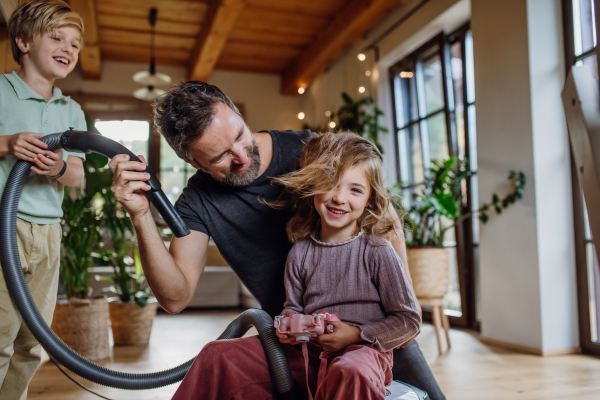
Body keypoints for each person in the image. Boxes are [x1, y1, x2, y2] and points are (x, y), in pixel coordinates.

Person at [109, 81, 447, 399]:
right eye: (220, 157)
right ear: (193, 161)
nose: (241, 156)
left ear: (238, 115)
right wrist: (140, 215)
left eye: (240, 135)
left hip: (371, 335)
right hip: (298, 343)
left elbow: (381, 213)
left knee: (374, 378)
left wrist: (388, 309)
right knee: (216, 358)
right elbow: (175, 298)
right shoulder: (199, 202)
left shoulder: (310, 150)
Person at [171, 132, 422, 399]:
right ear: (313, 186)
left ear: (370, 200)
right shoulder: (301, 252)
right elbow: (294, 307)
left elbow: (408, 320)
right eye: (330, 184)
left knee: (350, 369)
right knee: (217, 354)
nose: (339, 198)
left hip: (363, 354)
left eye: (355, 190)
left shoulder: (377, 252)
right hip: (306, 355)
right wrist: (289, 325)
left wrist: (355, 335)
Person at [0, 1, 86, 398]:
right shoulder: (1, 90)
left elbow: (77, 175)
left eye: (75, 43)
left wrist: (57, 168)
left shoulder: (73, 111)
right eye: (56, 37)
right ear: (22, 41)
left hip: (49, 233)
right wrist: (8, 143)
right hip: (6, 226)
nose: (68, 47)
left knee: (33, 342)